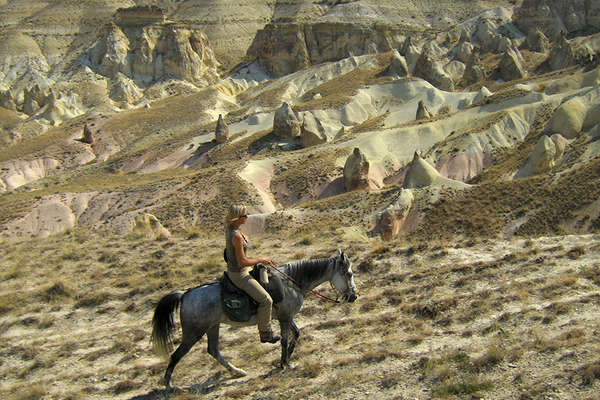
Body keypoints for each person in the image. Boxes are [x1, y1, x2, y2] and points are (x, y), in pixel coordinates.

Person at [224, 204, 280, 343]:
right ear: (237, 218)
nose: (247, 217)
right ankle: (265, 333)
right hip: (240, 274)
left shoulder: (232, 230)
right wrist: (262, 259)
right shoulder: (236, 236)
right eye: (244, 215)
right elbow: (242, 262)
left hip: (238, 270)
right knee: (266, 300)